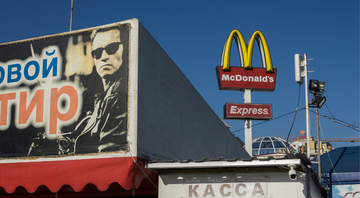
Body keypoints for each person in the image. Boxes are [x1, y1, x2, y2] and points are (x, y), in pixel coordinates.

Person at [58, 26, 129, 154]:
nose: (104, 57)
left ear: (126, 49)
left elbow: (109, 151)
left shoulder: (120, 95)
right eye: (97, 53)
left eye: (111, 49)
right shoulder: (103, 98)